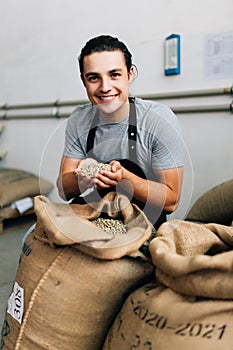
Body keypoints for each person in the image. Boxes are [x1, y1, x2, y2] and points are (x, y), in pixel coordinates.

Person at [56, 34, 184, 230]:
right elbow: (64, 191)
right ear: (83, 80)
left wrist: (124, 178)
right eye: (93, 78)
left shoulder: (158, 120)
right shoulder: (79, 120)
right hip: (93, 215)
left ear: (130, 74)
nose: (105, 87)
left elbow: (171, 201)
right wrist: (81, 179)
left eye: (114, 74)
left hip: (142, 221)